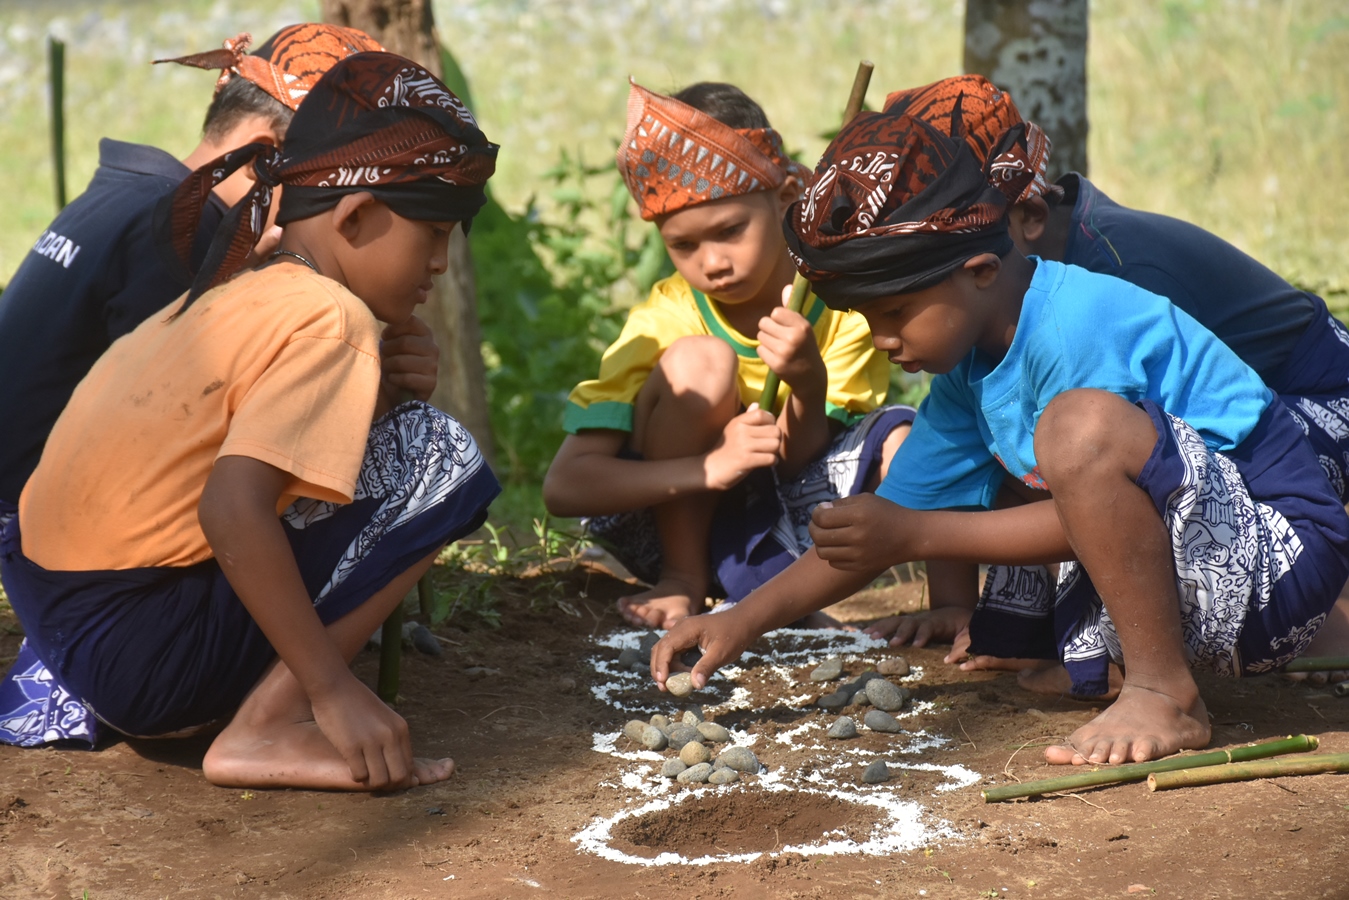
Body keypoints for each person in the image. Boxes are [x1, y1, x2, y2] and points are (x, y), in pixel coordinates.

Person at [649, 99, 1349, 766]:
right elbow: (891, 518)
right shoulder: (969, 366)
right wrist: (741, 621)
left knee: (1074, 430)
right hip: (1203, 556)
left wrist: (915, 536)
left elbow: (1054, 512)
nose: (882, 339)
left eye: (894, 313)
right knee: (1023, 461)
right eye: (867, 320)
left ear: (980, 271)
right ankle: (1131, 658)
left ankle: (1164, 692)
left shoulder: (1075, 326)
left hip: (1278, 557)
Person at [0, 52, 501, 792]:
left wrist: (382, 396)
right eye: (433, 234)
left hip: (58, 622)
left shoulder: (236, 288)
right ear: (356, 216)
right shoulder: (330, 317)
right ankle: (270, 725)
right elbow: (231, 508)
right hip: (142, 661)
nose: (441, 263)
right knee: (438, 454)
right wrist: (332, 688)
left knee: (390, 438)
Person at [856, 76, 1349, 686]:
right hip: (1185, 451)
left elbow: (1157, 467)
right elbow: (952, 456)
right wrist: (948, 599)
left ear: (1026, 217)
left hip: (1307, 412)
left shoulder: (1107, 284)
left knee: (1082, 454)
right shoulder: (997, 308)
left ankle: (1315, 622)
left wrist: (917, 535)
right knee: (1023, 448)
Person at [543, 80, 912, 629]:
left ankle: (925, 603)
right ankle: (684, 576)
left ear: (788, 195)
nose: (713, 263)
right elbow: (565, 486)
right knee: (702, 365)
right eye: (683, 245)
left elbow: (796, 461)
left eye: (730, 230)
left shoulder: (842, 303)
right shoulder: (666, 319)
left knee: (904, 440)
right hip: (671, 519)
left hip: (807, 527)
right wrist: (710, 467)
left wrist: (806, 383)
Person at [0, 24, 383, 521]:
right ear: (264, 155)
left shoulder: (136, 197)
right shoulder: (178, 237)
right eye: (329, 185)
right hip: (33, 523)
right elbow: (190, 434)